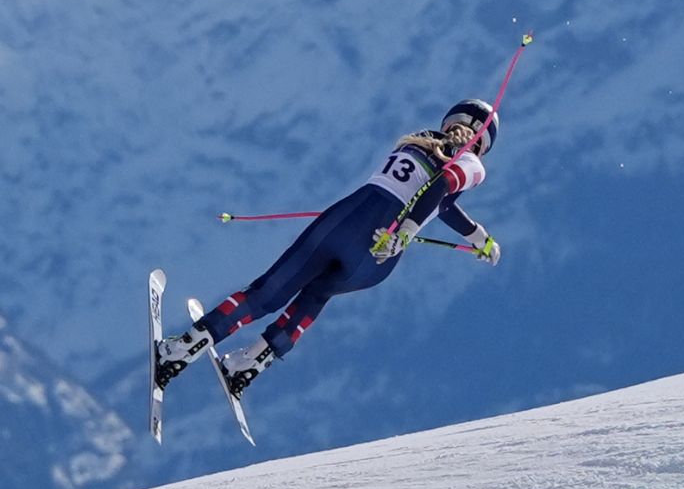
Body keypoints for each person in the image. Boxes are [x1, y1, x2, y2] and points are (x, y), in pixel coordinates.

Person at [156, 99, 503, 397]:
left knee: (269, 293)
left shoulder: (422, 139)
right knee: (318, 295)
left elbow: (439, 191)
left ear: (450, 119)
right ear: (484, 144)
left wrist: (449, 232)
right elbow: (442, 196)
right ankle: (250, 363)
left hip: (351, 219)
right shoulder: (472, 164)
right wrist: (473, 237)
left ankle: (183, 349)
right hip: (379, 259)